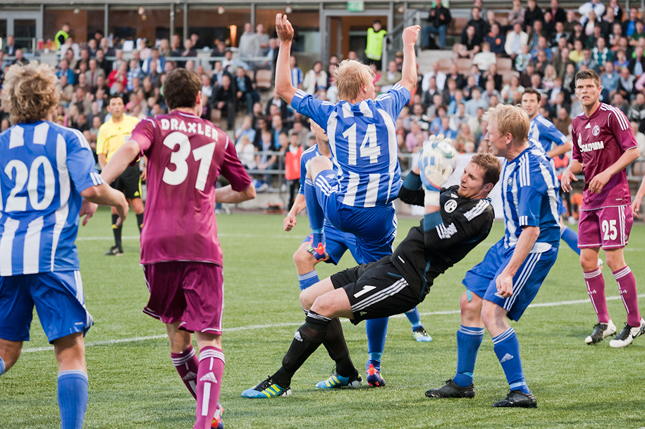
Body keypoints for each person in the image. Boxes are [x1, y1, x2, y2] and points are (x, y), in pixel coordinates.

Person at [242, 150, 500, 398]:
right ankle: (345, 372)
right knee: (309, 299)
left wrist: (432, 192)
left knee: (322, 307)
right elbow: (407, 194)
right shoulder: (456, 193)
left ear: (487, 187)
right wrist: (419, 167)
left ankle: (280, 380)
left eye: (472, 177)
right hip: (387, 265)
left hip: (404, 281)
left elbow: (433, 239)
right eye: (464, 172)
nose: (464, 178)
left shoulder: (481, 213)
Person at [274, 13, 429, 386]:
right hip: (377, 217)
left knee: (314, 164)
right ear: (363, 86)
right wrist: (408, 44)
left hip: (339, 211)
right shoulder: (386, 106)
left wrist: (284, 43)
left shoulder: (330, 114)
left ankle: (318, 235)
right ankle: (373, 365)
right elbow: (409, 80)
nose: (376, 83)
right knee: (377, 282)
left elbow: (283, 89)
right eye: (372, 80)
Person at [100, 68, 255, 429]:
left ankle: (210, 413)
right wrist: (207, 194)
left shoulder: (153, 126)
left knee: (177, 339)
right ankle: (204, 421)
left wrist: (98, 186)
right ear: (199, 98)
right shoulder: (218, 135)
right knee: (210, 338)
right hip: (200, 244)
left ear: (166, 100)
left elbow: (127, 149)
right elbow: (247, 190)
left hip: (156, 245)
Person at [0, 63, 128, 428]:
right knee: (69, 352)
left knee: (6, 351)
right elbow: (91, 188)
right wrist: (118, 199)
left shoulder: (3, 143)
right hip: (53, 256)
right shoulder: (67, 138)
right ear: (51, 97)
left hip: (7, 257)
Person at [426, 104, 561, 408]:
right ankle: (463, 382)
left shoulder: (528, 172)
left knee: (492, 313)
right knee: (470, 302)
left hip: (533, 247)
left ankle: (520, 390)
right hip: (511, 240)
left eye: (491, 131)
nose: (486, 135)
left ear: (508, 138)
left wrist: (509, 271)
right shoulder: (517, 154)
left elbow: (532, 231)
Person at [561, 69, 645, 347]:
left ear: (599, 90)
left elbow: (633, 151)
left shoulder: (612, 115)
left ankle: (635, 323)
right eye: (580, 87)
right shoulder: (576, 123)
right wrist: (566, 171)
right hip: (590, 200)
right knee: (586, 260)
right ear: (575, 92)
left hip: (614, 196)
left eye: (589, 86)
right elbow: (578, 160)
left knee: (613, 260)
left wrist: (607, 173)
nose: (584, 91)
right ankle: (604, 322)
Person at [521, 89, 587, 260]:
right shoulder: (524, 125)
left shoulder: (542, 124)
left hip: (541, 182)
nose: (528, 104)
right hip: (530, 181)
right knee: (537, 224)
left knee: (556, 225)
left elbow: (566, 145)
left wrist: (544, 155)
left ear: (539, 103)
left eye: (531, 101)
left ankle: (590, 257)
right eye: (525, 101)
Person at [96, 94, 144, 256]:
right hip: (113, 170)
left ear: (124, 106)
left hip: (131, 168)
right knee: (114, 207)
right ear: (109, 108)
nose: (116, 106)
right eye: (113, 104)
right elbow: (101, 155)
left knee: (137, 205)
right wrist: (107, 173)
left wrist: (146, 164)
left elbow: (145, 145)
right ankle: (118, 246)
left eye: (119, 103)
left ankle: (145, 245)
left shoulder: (134, 123)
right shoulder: (104, 128)